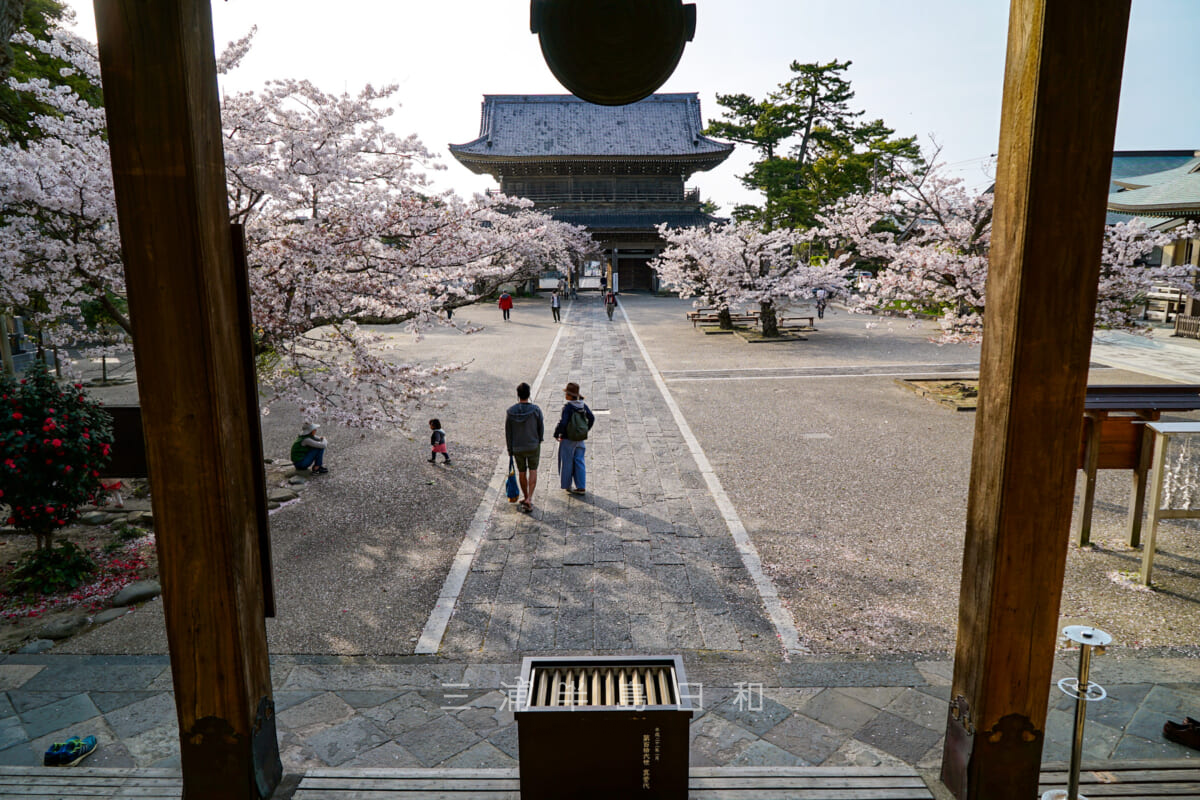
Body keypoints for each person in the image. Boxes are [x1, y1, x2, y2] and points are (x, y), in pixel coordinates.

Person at [505, 382, 544, 513]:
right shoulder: (536, 410)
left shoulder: (510, 412)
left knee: (522, 472)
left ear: (518, 394)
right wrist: (539, 440)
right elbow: (541, 427)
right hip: (533, 445)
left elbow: (508, 432)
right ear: (529, 394)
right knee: (533, 470)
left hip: (517, 447)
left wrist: (510, 449)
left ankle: (525, 496)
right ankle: (530, 498)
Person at [554, 381, 594, 496]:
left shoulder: (568, 407)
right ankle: (581, 487)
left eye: (566, 393)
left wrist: (557, 433)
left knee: (567, 461)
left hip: (568, 438)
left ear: (570, 395)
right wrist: (585, 430)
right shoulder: (582, 405)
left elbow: (563, 422)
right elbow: (591, 417)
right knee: (579, 461)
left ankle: (567, 485)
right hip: (580, 439)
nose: (565, 395)